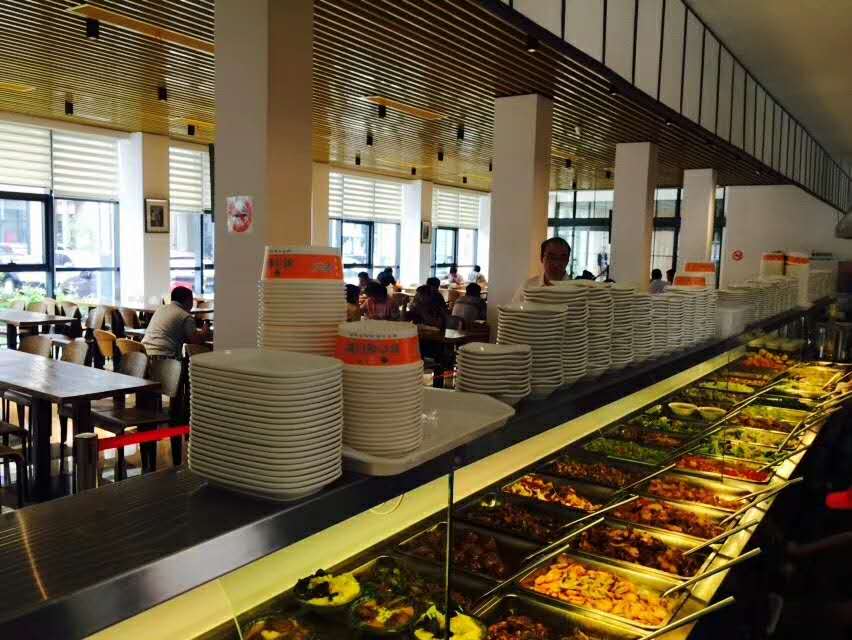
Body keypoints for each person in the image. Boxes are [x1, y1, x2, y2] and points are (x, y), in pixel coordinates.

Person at [142, 286, 210, 359]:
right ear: (188, 301)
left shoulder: (160, 309)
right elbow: (196, 341)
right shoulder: (185, 316)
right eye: (192, 300)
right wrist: (205, 330)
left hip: (143, 355)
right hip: (164, 357)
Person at [512, 237, 571, 302]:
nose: (556, 263)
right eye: (551, 257)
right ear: (541, 258)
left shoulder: (576, 290)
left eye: (562, 258)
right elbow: (513, 307)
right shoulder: (527, 286)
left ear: (568, 260)